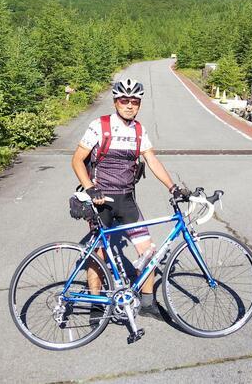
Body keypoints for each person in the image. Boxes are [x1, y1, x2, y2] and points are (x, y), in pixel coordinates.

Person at [71, 77, 189, 321]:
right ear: (116, 101)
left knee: (148, 250)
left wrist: (172, 187)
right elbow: (77, 160)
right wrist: (90, 187)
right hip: (100, 200)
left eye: (134, 101)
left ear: (139, 104)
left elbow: (152, 160)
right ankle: (96, 305)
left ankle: (147, 303)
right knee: (99, 253)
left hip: (126, 199)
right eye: (124, 100)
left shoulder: (139, 130)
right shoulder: (99, 126)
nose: (129, 105)